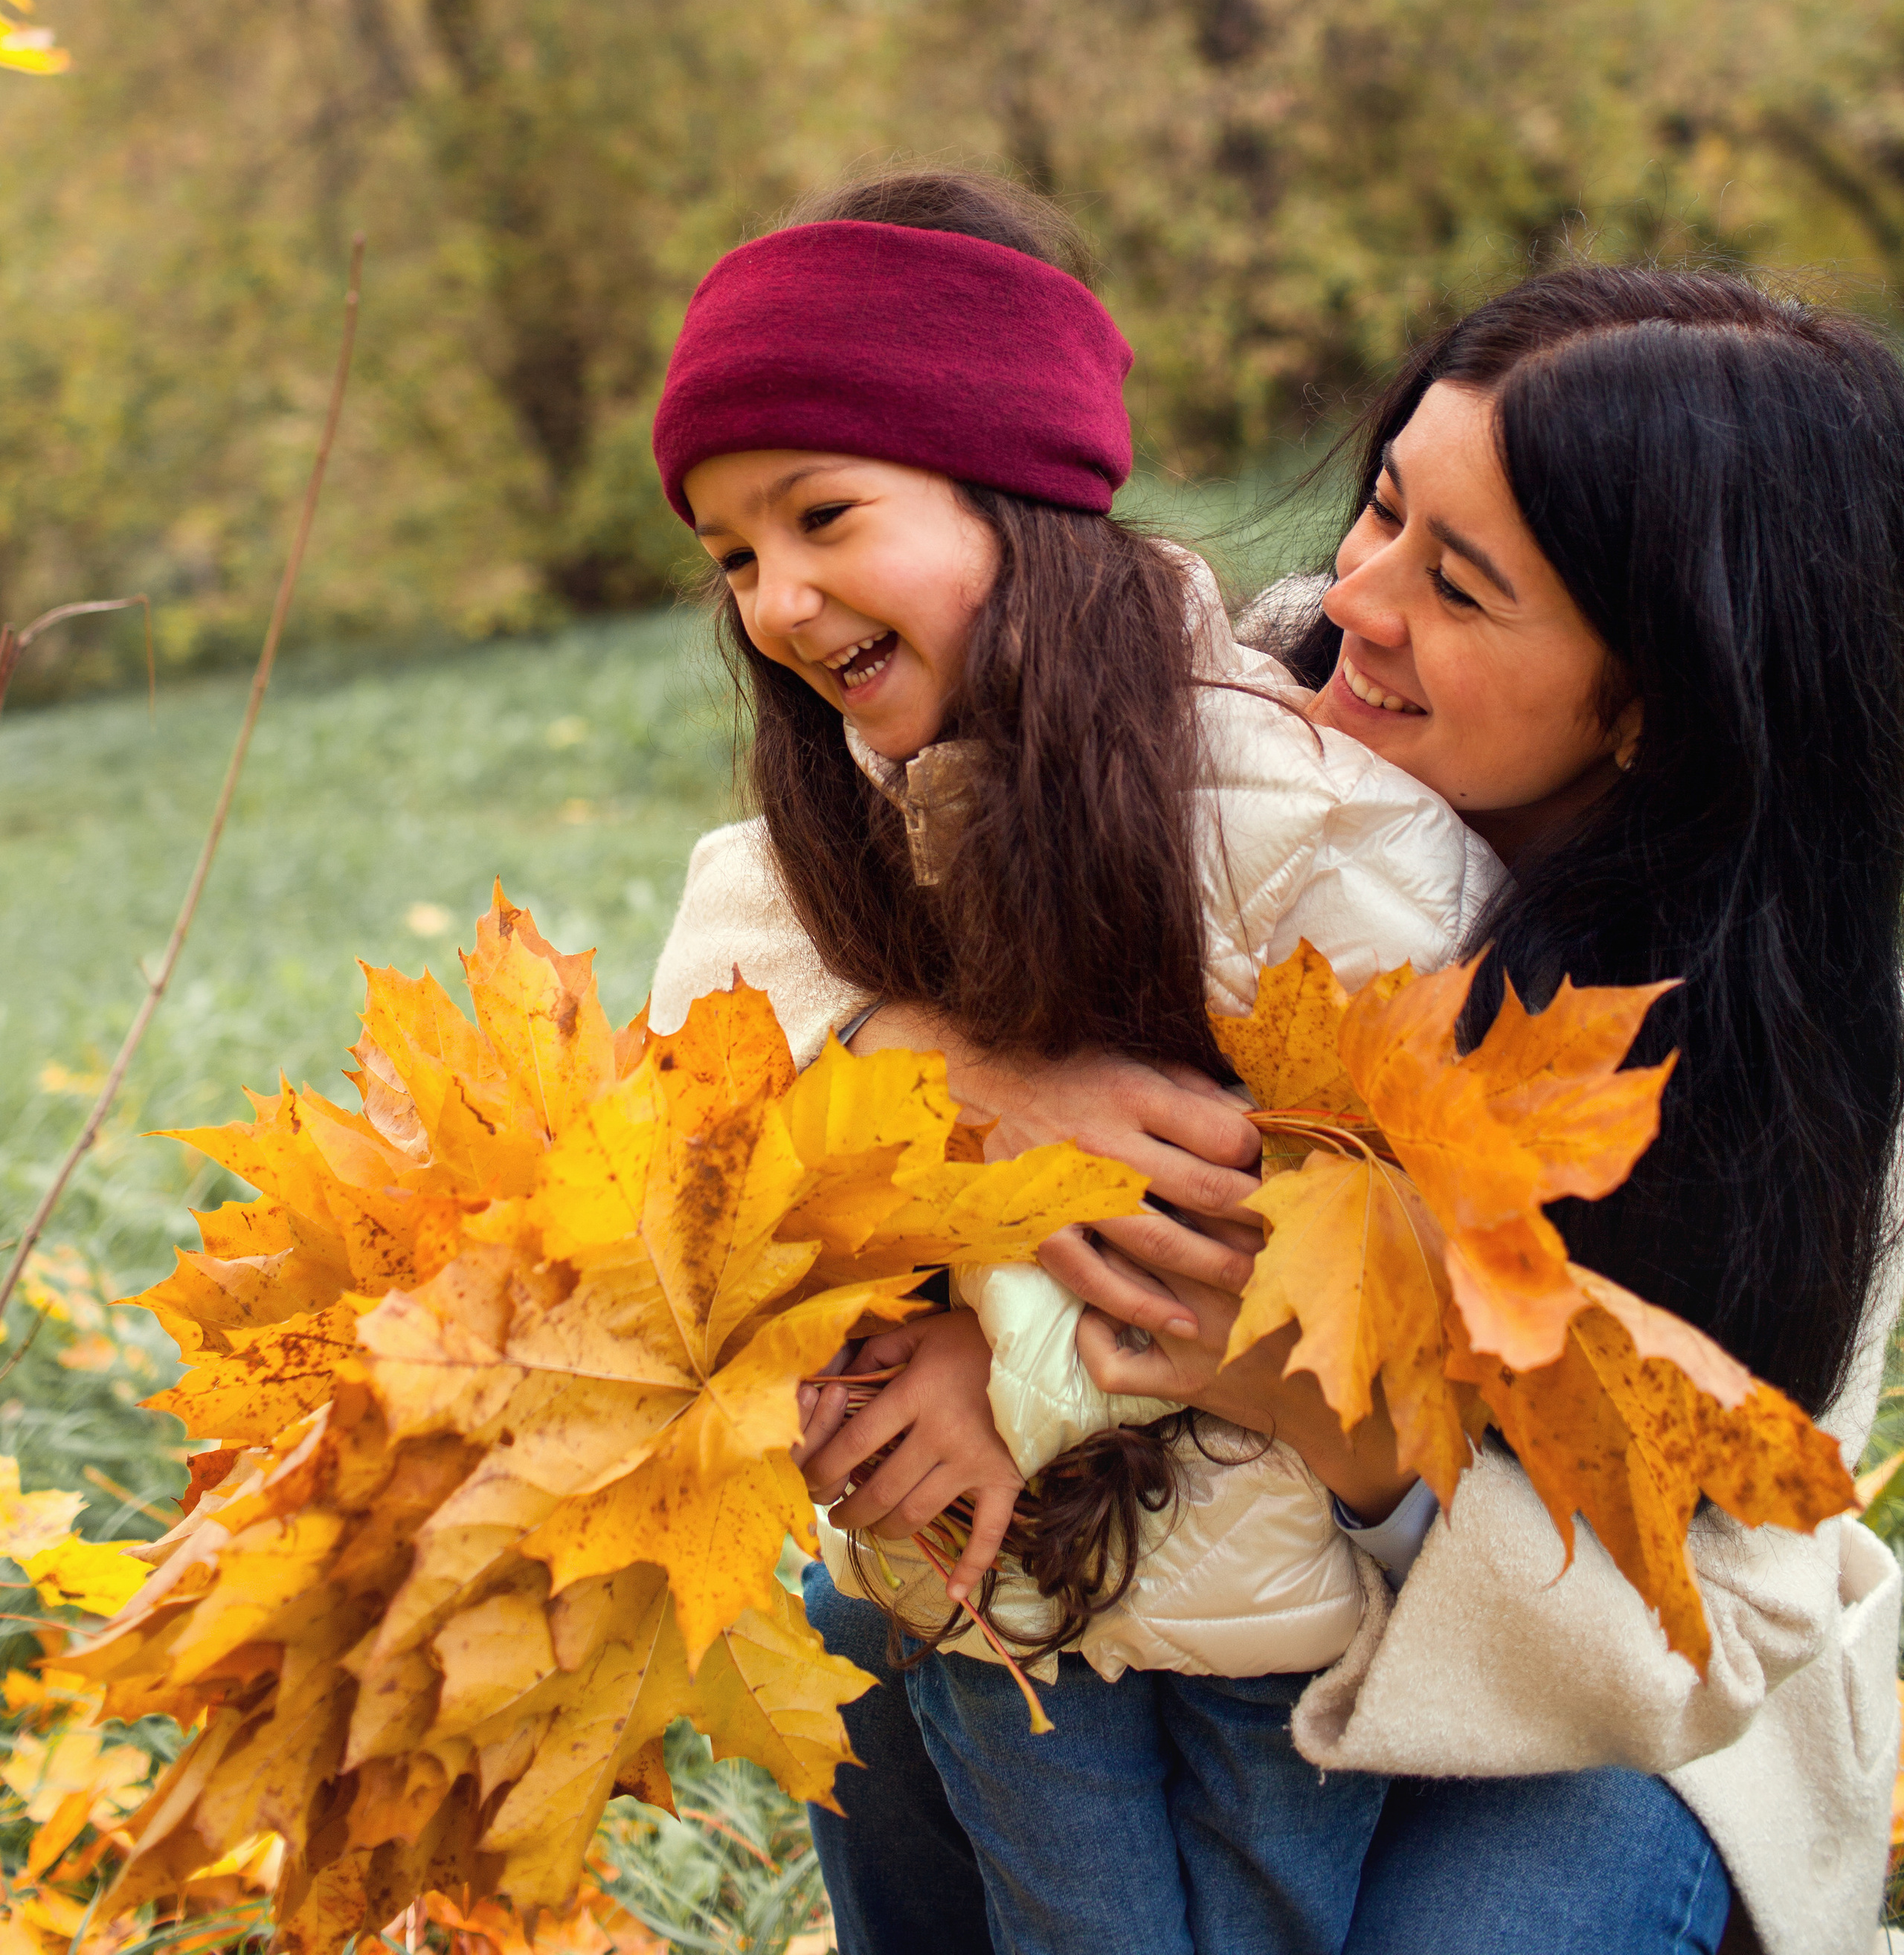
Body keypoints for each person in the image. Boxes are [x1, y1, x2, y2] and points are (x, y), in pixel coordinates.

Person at [656, 247, 1904, 1955]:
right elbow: (753, 909)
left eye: (1459, 587)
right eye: (1380, 508)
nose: (1357, 597)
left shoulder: (1786, 1080)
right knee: (885, 1635)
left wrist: (1312, 1395)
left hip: (1578, 1720)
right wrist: (945, 1075)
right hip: (1162, 1587)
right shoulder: (1247, 722)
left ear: (1655, 695)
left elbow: (1696, 1628)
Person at [644, 167, 1500, 1955]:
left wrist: (1009, 1373)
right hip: (987, 1594)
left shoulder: (1285, 819)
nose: (778, 600)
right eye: (732, 555)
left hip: (1264, 1602)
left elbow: (1331, 1234)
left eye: (822, 515)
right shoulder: (833, 831)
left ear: (1016, 485)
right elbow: (698, 1063)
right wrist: (901, 1061)